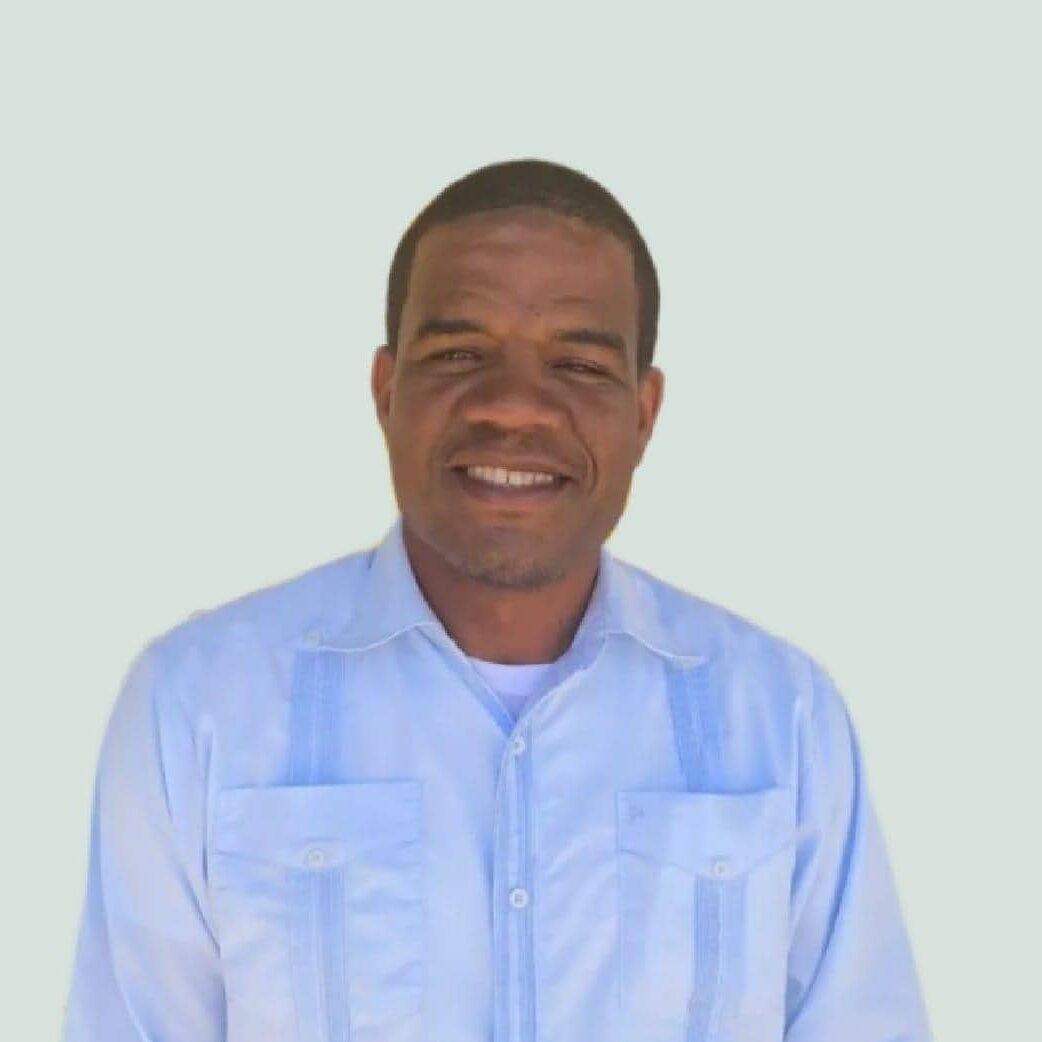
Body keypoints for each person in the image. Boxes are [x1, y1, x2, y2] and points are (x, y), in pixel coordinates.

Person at [61, 158, 932, 1042]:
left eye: (579, 365)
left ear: (644, 412)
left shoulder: (779, 717)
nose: (515, 406)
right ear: (385, 391)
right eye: (459, 354)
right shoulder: (199, 704)